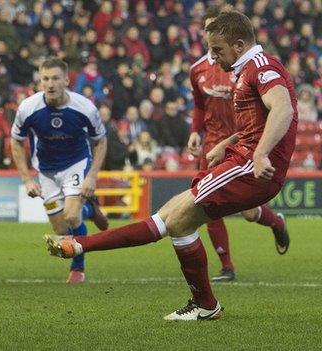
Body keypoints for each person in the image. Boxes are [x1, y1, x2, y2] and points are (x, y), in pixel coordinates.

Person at [46, 10, 298, 320]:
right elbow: (254, 122)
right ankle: (205, 306)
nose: (214, 58)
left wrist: (260, 154)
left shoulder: (261, 67)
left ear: (240, 43)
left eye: (218, 50)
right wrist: (225, 143)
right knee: (176, 219)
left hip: (251, 168)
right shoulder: (245, 69)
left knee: (172, 218)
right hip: (241, 158)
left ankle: (81, 245)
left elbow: (283, 109)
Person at [187, 6, 290, 282]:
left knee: (246, 211)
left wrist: (258, 149)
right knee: (205, 201)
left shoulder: (242, 65)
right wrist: (195, 131)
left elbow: (279, 106)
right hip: (212, 142)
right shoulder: (197, 69)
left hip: (244, 141)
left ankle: (276, 222)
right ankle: (227, 266)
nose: (213, 47)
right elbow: (199, 105)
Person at [11, 58, 109, 284]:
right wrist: (27, 180)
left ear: (66, 80)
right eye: (45, 79)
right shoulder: (28, 108)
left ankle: (78, 268)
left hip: (75, 162)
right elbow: (16, 141)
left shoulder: (84, 108)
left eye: (55, 78)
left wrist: (92, 176)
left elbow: (100, 141)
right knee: (61, 228)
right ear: (40, 81)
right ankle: (90, 210)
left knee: (71, 215)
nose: (50, 83)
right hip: (46, 170)